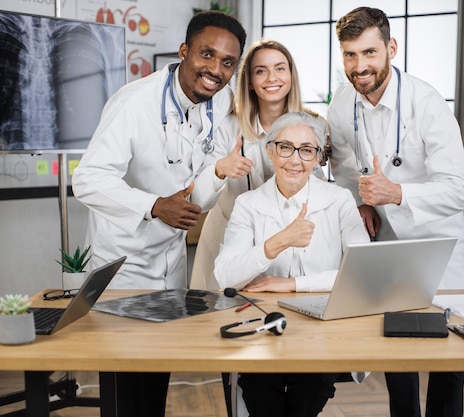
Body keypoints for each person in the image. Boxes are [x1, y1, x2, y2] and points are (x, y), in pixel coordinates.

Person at [71, 11, 247, 417]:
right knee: (125, 392)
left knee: (154, 388)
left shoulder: (215, 105)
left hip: (169, 269)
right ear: (184, 51)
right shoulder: (134, 102)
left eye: (227, 62)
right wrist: (153, 206)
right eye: (207, 54)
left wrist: (216, 173)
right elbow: (89, 180)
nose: (216, 70)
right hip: (125, 266)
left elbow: (190, 191)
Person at [327, 7, 464, 417]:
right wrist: (359, 202)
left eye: (370, 53)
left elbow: (458, 192)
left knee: (449, 358)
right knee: (396, 351)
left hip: (438, 244)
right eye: (350, 55)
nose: (360, 66)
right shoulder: (341, 105)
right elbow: (341, 169)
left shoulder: (427, 104)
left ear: (391, 48)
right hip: (390, 244)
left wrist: (396, 194)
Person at [214, 111, 370, 416]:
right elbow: (225, 277)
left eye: (306, 150)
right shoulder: (248, 205)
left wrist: (293, 284)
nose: (295, 160)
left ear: (317, 159)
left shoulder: (339, 201)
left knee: (312, 386)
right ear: (270, 150)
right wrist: (278, 242)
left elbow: (360, 275)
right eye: (285, 147)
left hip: (321, 328)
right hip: (263, 324)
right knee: (260, 389)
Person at [190, 39, 325, 291]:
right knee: (216, 314)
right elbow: (198, 198)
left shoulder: (315, 125)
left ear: (291, 75)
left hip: (289, 236)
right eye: (261, 71)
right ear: (249, 81)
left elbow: (321, 189)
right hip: (229, 234)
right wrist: (220, 169)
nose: (271, 78)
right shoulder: (226, 126)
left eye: (280, 68)